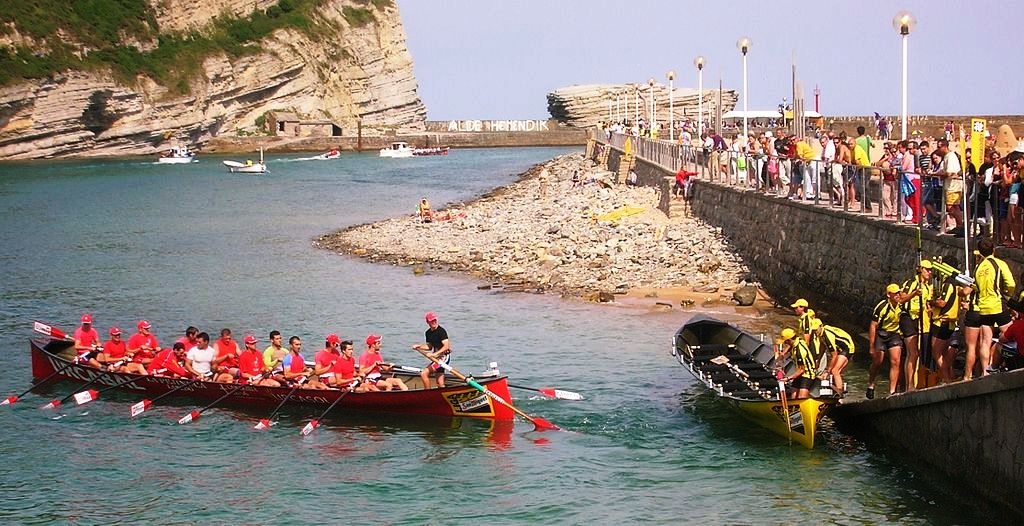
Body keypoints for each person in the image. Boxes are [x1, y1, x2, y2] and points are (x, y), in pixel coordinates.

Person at [961, 239, 1015, 379]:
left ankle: (985, 371)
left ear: (980, 252)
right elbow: (1011, 284)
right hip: (997, 304)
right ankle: (1013, 362)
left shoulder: (978, 268)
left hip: (983, 307)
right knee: (1011, 333)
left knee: (985, 340)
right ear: (993, 250)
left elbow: (976, 287)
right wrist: (1007, 294)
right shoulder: (999, 263)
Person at [898, 261, 933, 392]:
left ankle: (915, 383)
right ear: (921, 270)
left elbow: (927, 304)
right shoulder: (911, 283)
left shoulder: (927, 287)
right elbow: (901, 299)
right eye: (927, 270)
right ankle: (910, 385)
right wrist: (914, 294)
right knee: (913, 353)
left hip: (919, 319)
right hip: (908, 318)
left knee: (916, 353)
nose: (929, 272)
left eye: (931, 270)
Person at [868, 284, 904, 398]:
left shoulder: (901, 305)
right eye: (895, 293)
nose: (898, 295)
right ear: (889, 295)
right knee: (878, 361)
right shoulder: (882, 307)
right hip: (881, 334)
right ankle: (871, 383)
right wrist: (871, 346)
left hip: (895, 334)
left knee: (896, 361)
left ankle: (892, 390)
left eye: (899, 293)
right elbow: (873, 325)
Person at [809, 318, 855, 395]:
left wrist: (828, 371)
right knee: (835, 371)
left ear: (821, 326)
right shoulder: (820, 334)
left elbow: (834, 355)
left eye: (816, 329)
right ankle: (835, 389)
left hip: (847, 347)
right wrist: (818, 361)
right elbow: (822, 346)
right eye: (813, 330)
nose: (815, 331)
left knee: (834, 370)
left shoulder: (827, 335)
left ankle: (839, 391)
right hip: (840, 348)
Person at [929, 271, 960, 384]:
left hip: (942, 322)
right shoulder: (956, 285)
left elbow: (942, 303)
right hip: (950, 323)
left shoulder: (948, 284)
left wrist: (931, 302)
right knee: (945, 354)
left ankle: (947, 379)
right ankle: (950, 378)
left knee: (936, 353)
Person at [414, 311, 451, 389]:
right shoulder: (428, 333)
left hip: (443, 357)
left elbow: (446, 346)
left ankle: (427, 393)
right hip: (436, 358)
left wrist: (434, 354)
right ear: (427, 322)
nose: (434, 322)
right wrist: (419, 346)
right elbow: (429, 347)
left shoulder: (441, 331)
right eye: (431, 321)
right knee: (439, 382)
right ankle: (441, 394)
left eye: (435, 320)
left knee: (424, 373)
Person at [778, 328, 816, 400]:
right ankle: (793, 405)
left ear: (789, 340)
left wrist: (787, 379)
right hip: (799, 372)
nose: (785, 343)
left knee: (801, 398)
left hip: (807, 374)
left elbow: (802, 370)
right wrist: (783, 354)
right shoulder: (797, 340)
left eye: (785, 342)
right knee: (793, 396)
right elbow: (790, 346)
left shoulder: (800, 351)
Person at [937, 139, 964, 235]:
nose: (938, 149)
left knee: (951, 206)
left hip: (953, 185)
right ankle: (959, 226)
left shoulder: (951, 156)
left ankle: (961, 225)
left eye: (939, 147)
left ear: (944, 146)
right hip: (949, 185)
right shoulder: (946, 157)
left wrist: (939, 174)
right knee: (952, 206)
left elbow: (950, 172)